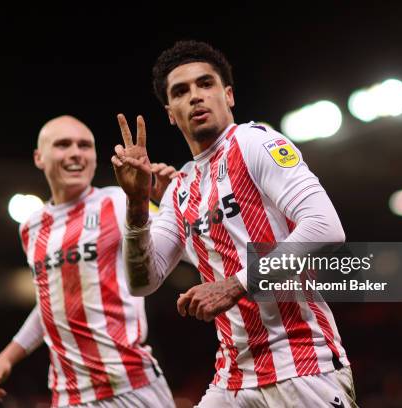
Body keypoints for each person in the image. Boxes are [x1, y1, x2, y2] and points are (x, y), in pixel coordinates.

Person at [111, 41, 357, 407]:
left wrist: (234, 285)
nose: (195, 97)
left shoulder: (255, 142)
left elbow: (325, 227)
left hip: (303, 365)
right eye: (181, 91)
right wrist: (136, 205)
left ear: (228, 95)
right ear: (170, 113)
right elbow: (143, 280)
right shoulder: (180, 187)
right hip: (233, 378)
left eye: (205, 84)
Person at [0, 115, 177, 408]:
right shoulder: (31, 227)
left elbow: (187, 239)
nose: (75, 152)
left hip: (130, 387)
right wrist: (8, 357)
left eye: (84, 145)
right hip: (67, 395)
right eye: (63, 144)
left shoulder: (120, 201)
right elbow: (52, 302)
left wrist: (172, 200)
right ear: (39, 157)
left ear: (96, 158)